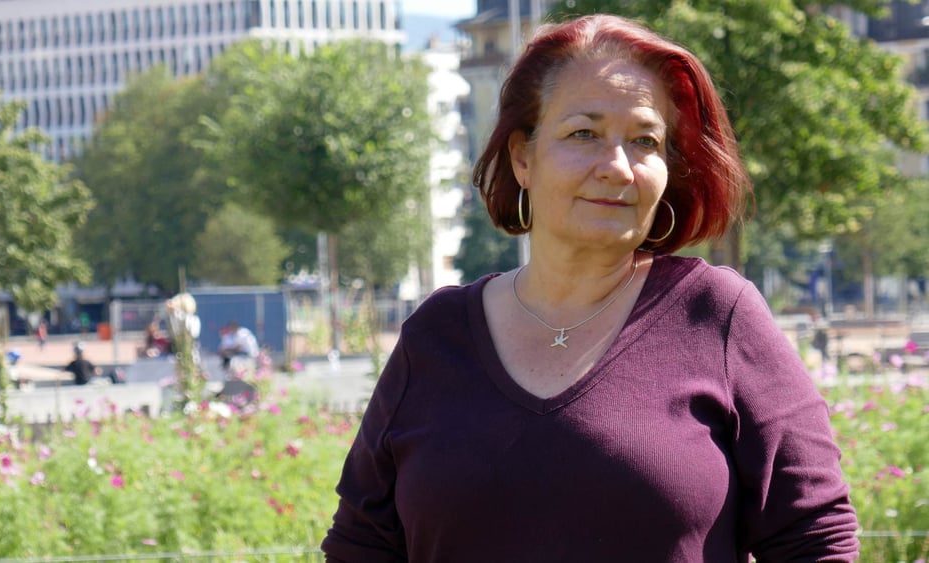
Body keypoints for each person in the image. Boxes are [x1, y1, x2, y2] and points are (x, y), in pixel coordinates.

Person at [322, 14, 859, 562]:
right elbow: (361, 543)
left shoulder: (717, 316)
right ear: (523, 157)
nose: (619, 168)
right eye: (585, 133)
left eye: (645, 141)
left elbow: (814, 539)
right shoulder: (434, 337)